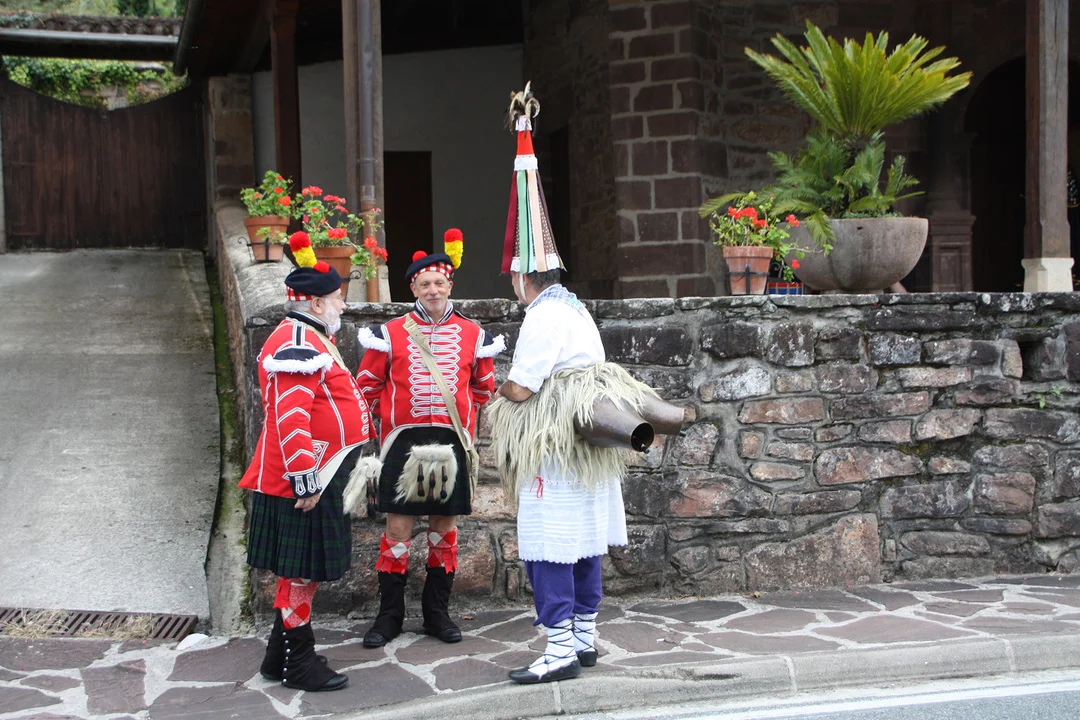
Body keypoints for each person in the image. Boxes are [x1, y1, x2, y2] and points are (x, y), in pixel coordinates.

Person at [487, 83, 663, 685]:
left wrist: (497, 392)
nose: (512, 285)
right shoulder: (579, 309)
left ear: (523, 276)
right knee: (585, 541)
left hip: (556, 450)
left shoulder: (542, 315)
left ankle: (560, 648)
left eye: (513, 276)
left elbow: (522, 387)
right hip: (589, 447)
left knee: (550, 547)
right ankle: (584, 637)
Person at [239, 232, 378, 692]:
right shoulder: (297, 342)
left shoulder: (311, 336)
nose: (343, 304)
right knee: (300, 573)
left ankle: (278, 656)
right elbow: (290, 417)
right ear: (316, 303)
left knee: (302, 571)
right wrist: (305, 479)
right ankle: (298, 662)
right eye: (337, 298)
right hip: (306, 475)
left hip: (321, 469)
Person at [355, 228, 503, 649]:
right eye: (425, 284)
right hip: (401, 442)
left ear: (449, 285)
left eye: (439, 282)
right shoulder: (390, 332)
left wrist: (461, 421)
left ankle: (437, 613)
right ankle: (389, 617)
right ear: (414, 289)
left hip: (452, 441)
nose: (433, 290)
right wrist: (387, 425)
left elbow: (483, 388)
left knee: (444, 528)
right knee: (397, 530)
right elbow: (366, 386)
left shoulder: (474, 334)